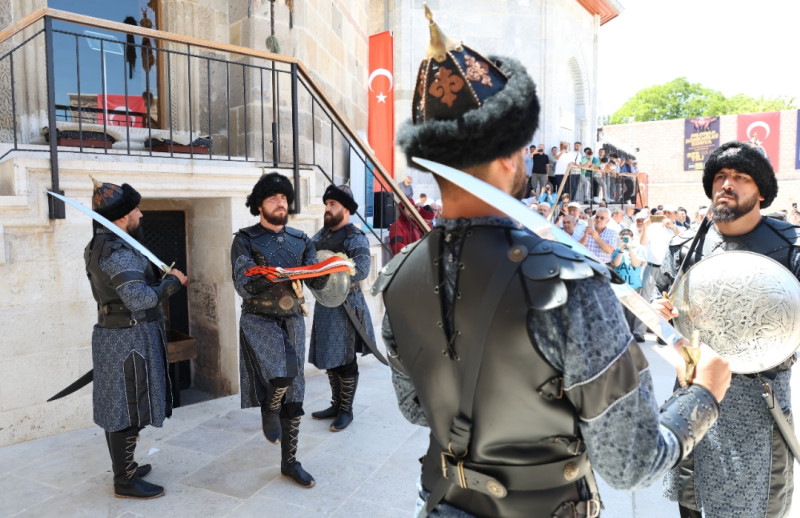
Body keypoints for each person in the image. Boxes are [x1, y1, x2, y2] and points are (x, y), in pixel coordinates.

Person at [379, 9, 731, 517]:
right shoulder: (568, 282)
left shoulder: (397, 277)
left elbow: (417, 408)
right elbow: (629, 465)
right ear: (506, 155)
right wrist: (704, 396)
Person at [655, 141, 800, 518]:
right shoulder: (684, 247)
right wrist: (659, 317)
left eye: (740, 177)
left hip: (759, 401)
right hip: (696, 395)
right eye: (720, 176)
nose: (727, 183)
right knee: (693, 501)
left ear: (761, 191)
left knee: (757, 505)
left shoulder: (792, 247)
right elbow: (659, 316)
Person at [85, 178, 188, 499]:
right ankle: (125, 480)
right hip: (128, 339)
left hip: (119, 334)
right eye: (135, 209)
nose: (141, 214)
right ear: (121, 216)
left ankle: (125, 467)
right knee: (129, 407)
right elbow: (140, 299)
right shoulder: (118, 251)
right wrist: (172, 283)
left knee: (121, 406)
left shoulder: (100, 244)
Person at [230, 172, 328, 488]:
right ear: (259, 205)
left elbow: (316, 278)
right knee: (284, 371)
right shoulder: (244, 239)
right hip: (259, 319)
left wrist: (330, 274)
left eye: (284, 198)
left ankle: (290, 463)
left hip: (293, 319)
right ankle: (269, 407)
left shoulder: (301, 240)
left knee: (295, 392)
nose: (280, 203)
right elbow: (243, 284)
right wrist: (270, 275)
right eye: (273, 198)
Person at [309, 185, 375, 431]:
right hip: (325, 304)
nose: (327, 208)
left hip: (347, 306)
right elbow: (309, 260)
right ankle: (336, 405)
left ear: (346, 209)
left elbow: (362, 269)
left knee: (346, 360)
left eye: (333, 204)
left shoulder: (354, 236)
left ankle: (346, 410)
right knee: (331, 357)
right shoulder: (321, 235)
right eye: (326, 204)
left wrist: (331, 268)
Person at [610, 228, 646, 342]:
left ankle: (632, 333)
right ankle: (622, 333)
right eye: (622, 239)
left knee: (632, 312)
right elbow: (616, 264)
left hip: (634, 286)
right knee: (620, 311)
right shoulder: (617, 250)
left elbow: (636, 264)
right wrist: (621, 250)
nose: (624, 241)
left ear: (632, 239)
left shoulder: (638, 249)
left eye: (627, 239)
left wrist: (630, 249)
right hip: (620, 286)